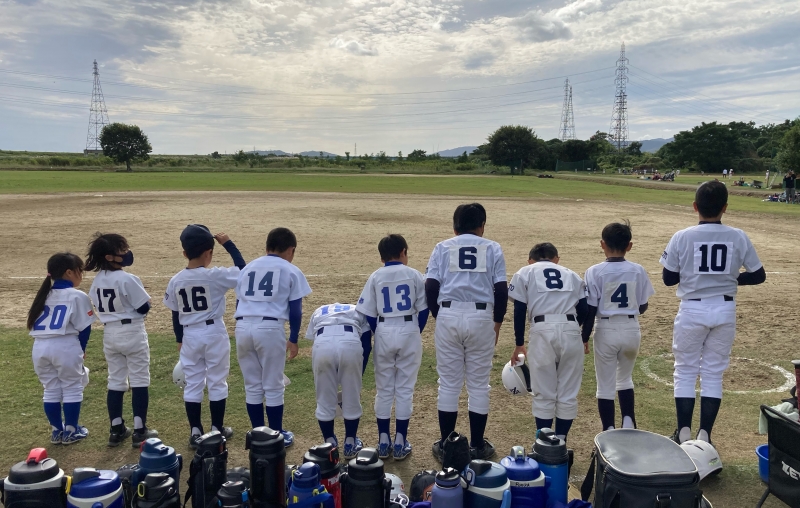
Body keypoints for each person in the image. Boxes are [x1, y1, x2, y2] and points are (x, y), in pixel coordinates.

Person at [660, 181, 766, 446]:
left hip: (692, 307)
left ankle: (683, 433)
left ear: (695, 206)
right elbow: (758, 275)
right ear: (725, 208)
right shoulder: (738, 236)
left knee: (685, 370)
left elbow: (668, 278)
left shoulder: (682, 236)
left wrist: (695, 275)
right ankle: (705, 435)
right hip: (724, 308)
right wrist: (730, 278)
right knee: (713, 373)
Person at [425, 203, 507, 461]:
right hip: (481, 316)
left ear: (455, 227)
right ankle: (477, 445)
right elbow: (501, 290)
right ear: (482, 226)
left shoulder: (442, 247)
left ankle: (447, 446)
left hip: (449, 313)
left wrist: (441, 316)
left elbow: (430, 286)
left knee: (448, 384)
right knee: (479, 385)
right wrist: (496, 323)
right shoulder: (493, 247)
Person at [163, 225, 245, 449]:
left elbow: (175, 312)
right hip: (214, 332)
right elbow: (244, 271)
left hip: (189, 334)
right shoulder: (215, 275)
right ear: (209, 252)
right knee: (217, 381)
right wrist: (229, 244)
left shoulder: (176, 280)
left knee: (193, 383)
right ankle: (217, 430)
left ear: (184, 253)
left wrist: (179, 338)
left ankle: (195, 431)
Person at [234, 227, 311, 448]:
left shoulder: (248, 268)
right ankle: (275, 434)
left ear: (267, 246)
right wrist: (293, 338)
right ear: (291, 249)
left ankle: (258, 434)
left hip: (242, 326)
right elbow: (295, 310)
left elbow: (239, 302)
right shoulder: (291, 270)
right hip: (269, 328)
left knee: (252, 385)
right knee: (274, 384)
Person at [357, 234, 429, 460]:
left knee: (384, 389)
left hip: (384, 329)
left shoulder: (375, 276)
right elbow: (424, 310)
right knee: (405, 389)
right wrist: (414, 331)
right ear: (403, 252)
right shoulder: (415, 274)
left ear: (382, 257)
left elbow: (368, 314)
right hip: (409, 328)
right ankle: (400, 441)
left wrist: (380, 331)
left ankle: (383, 440)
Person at [509, 243, 588, 442]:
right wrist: (573, 330)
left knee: (543, 392)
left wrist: (519, 343)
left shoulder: (524, 272)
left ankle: (544, 442)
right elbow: (584, 309)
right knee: (568, 392)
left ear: (530, 260)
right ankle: (560, 441)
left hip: (542, 329)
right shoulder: (571, 274)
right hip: (571, 328)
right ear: (556, 259)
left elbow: (519, 309)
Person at [86, 233, 158, 448]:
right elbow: (143, 307)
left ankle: (116, 429)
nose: (126, 253)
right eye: (122, 250)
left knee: (116, 380)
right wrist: (147, 303)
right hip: (132, 331)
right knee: (139, 380)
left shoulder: (97, 280)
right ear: (109, 257)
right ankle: (139, 430)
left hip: (110, 333)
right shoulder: (127, 278)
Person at [581, 223, 654, 431]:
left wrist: (584, 337)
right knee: (625, 379)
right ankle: (629, 423)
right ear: (629, 246)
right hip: (631, 329)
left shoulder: (594, 271)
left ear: (602, 244)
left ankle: (609, 429)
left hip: (605, 329)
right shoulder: (638, 270)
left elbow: (590, 309)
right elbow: (642, 306)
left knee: (605, 384)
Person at [28, 253, 95, 445]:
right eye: (79, 271)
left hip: (39, 347)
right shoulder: (77, 295)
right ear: (69, 272)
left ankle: (57, 430)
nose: (81, 275)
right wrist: (81, 349)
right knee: (72, 387)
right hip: (65, 345)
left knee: (51, 389)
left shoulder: (43, 295)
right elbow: (85, 328)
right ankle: (71, 431)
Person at [305, 302, 372, 459]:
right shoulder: (358, 310)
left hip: (322, 343)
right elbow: (367, 345)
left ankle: (329, 444)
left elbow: (313, 338)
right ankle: (350, 443)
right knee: (351, 397)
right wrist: (359, 373)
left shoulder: (319, 310)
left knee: (324, 398)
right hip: (350, 342)